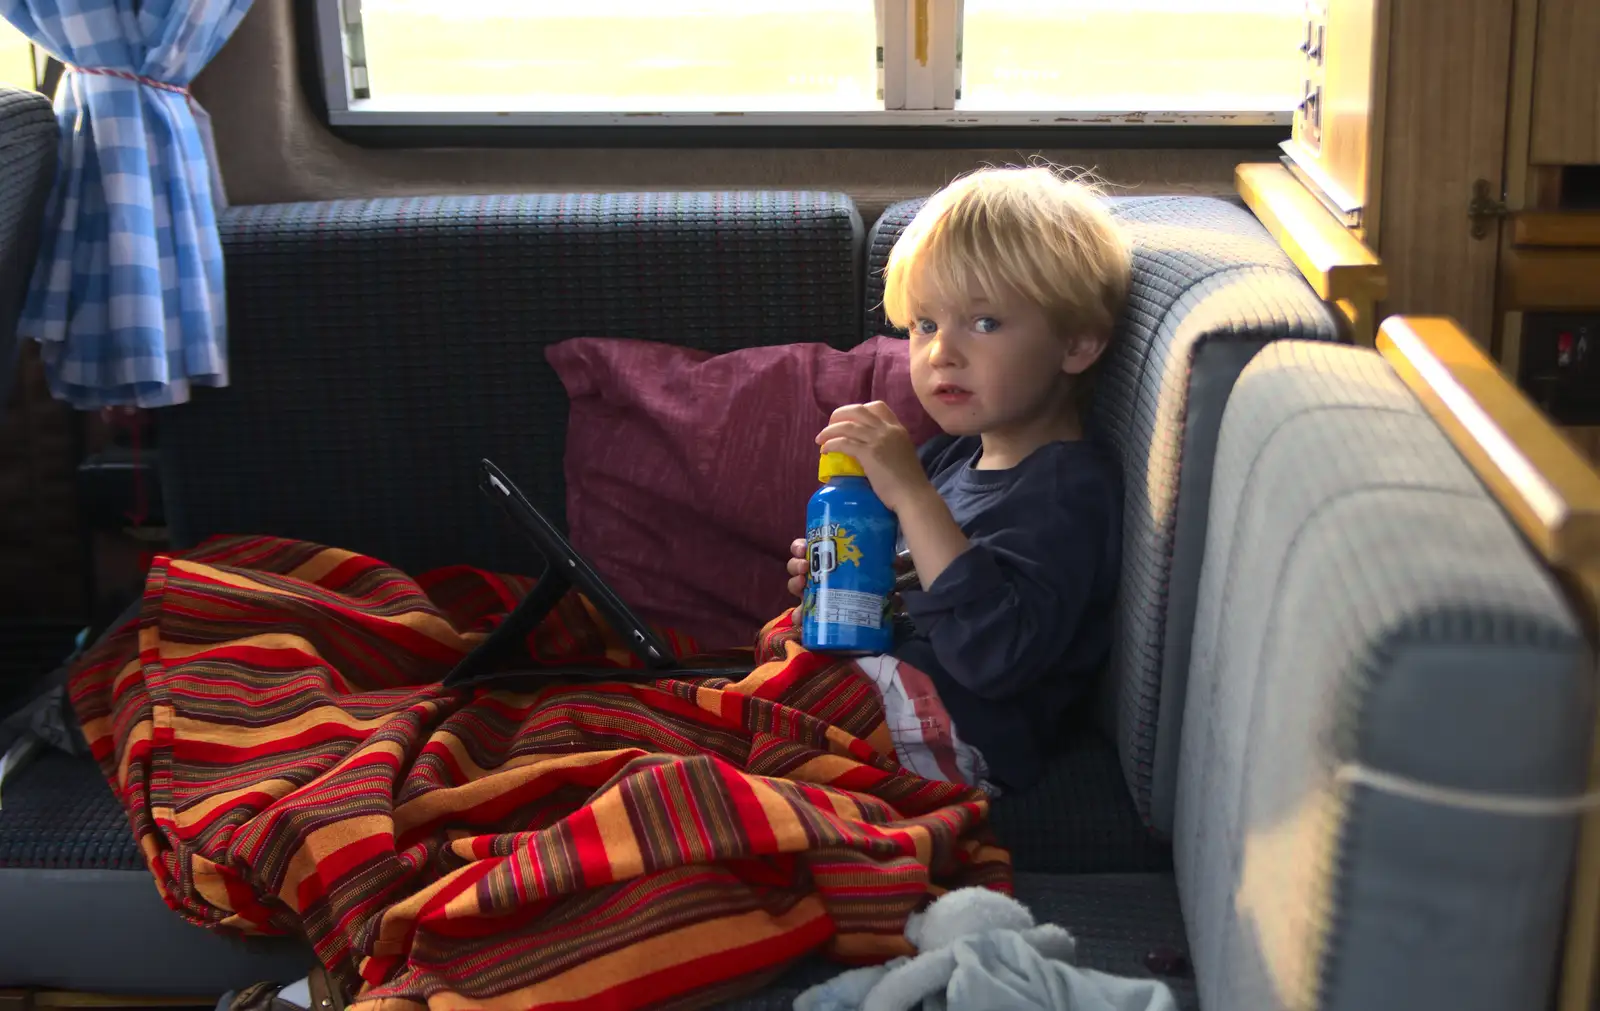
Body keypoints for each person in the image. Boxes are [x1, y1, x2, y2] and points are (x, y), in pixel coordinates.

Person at [786, 165, 1130, 794]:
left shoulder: (1067, 492)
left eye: (985, 322)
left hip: (957, 732)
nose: (940, 351)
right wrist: (849, 579)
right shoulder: (952, 457)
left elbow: (993, 654)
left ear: (1078, 344)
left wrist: (911, 496)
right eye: (924, 325)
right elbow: (924, 596)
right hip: (887, 694)